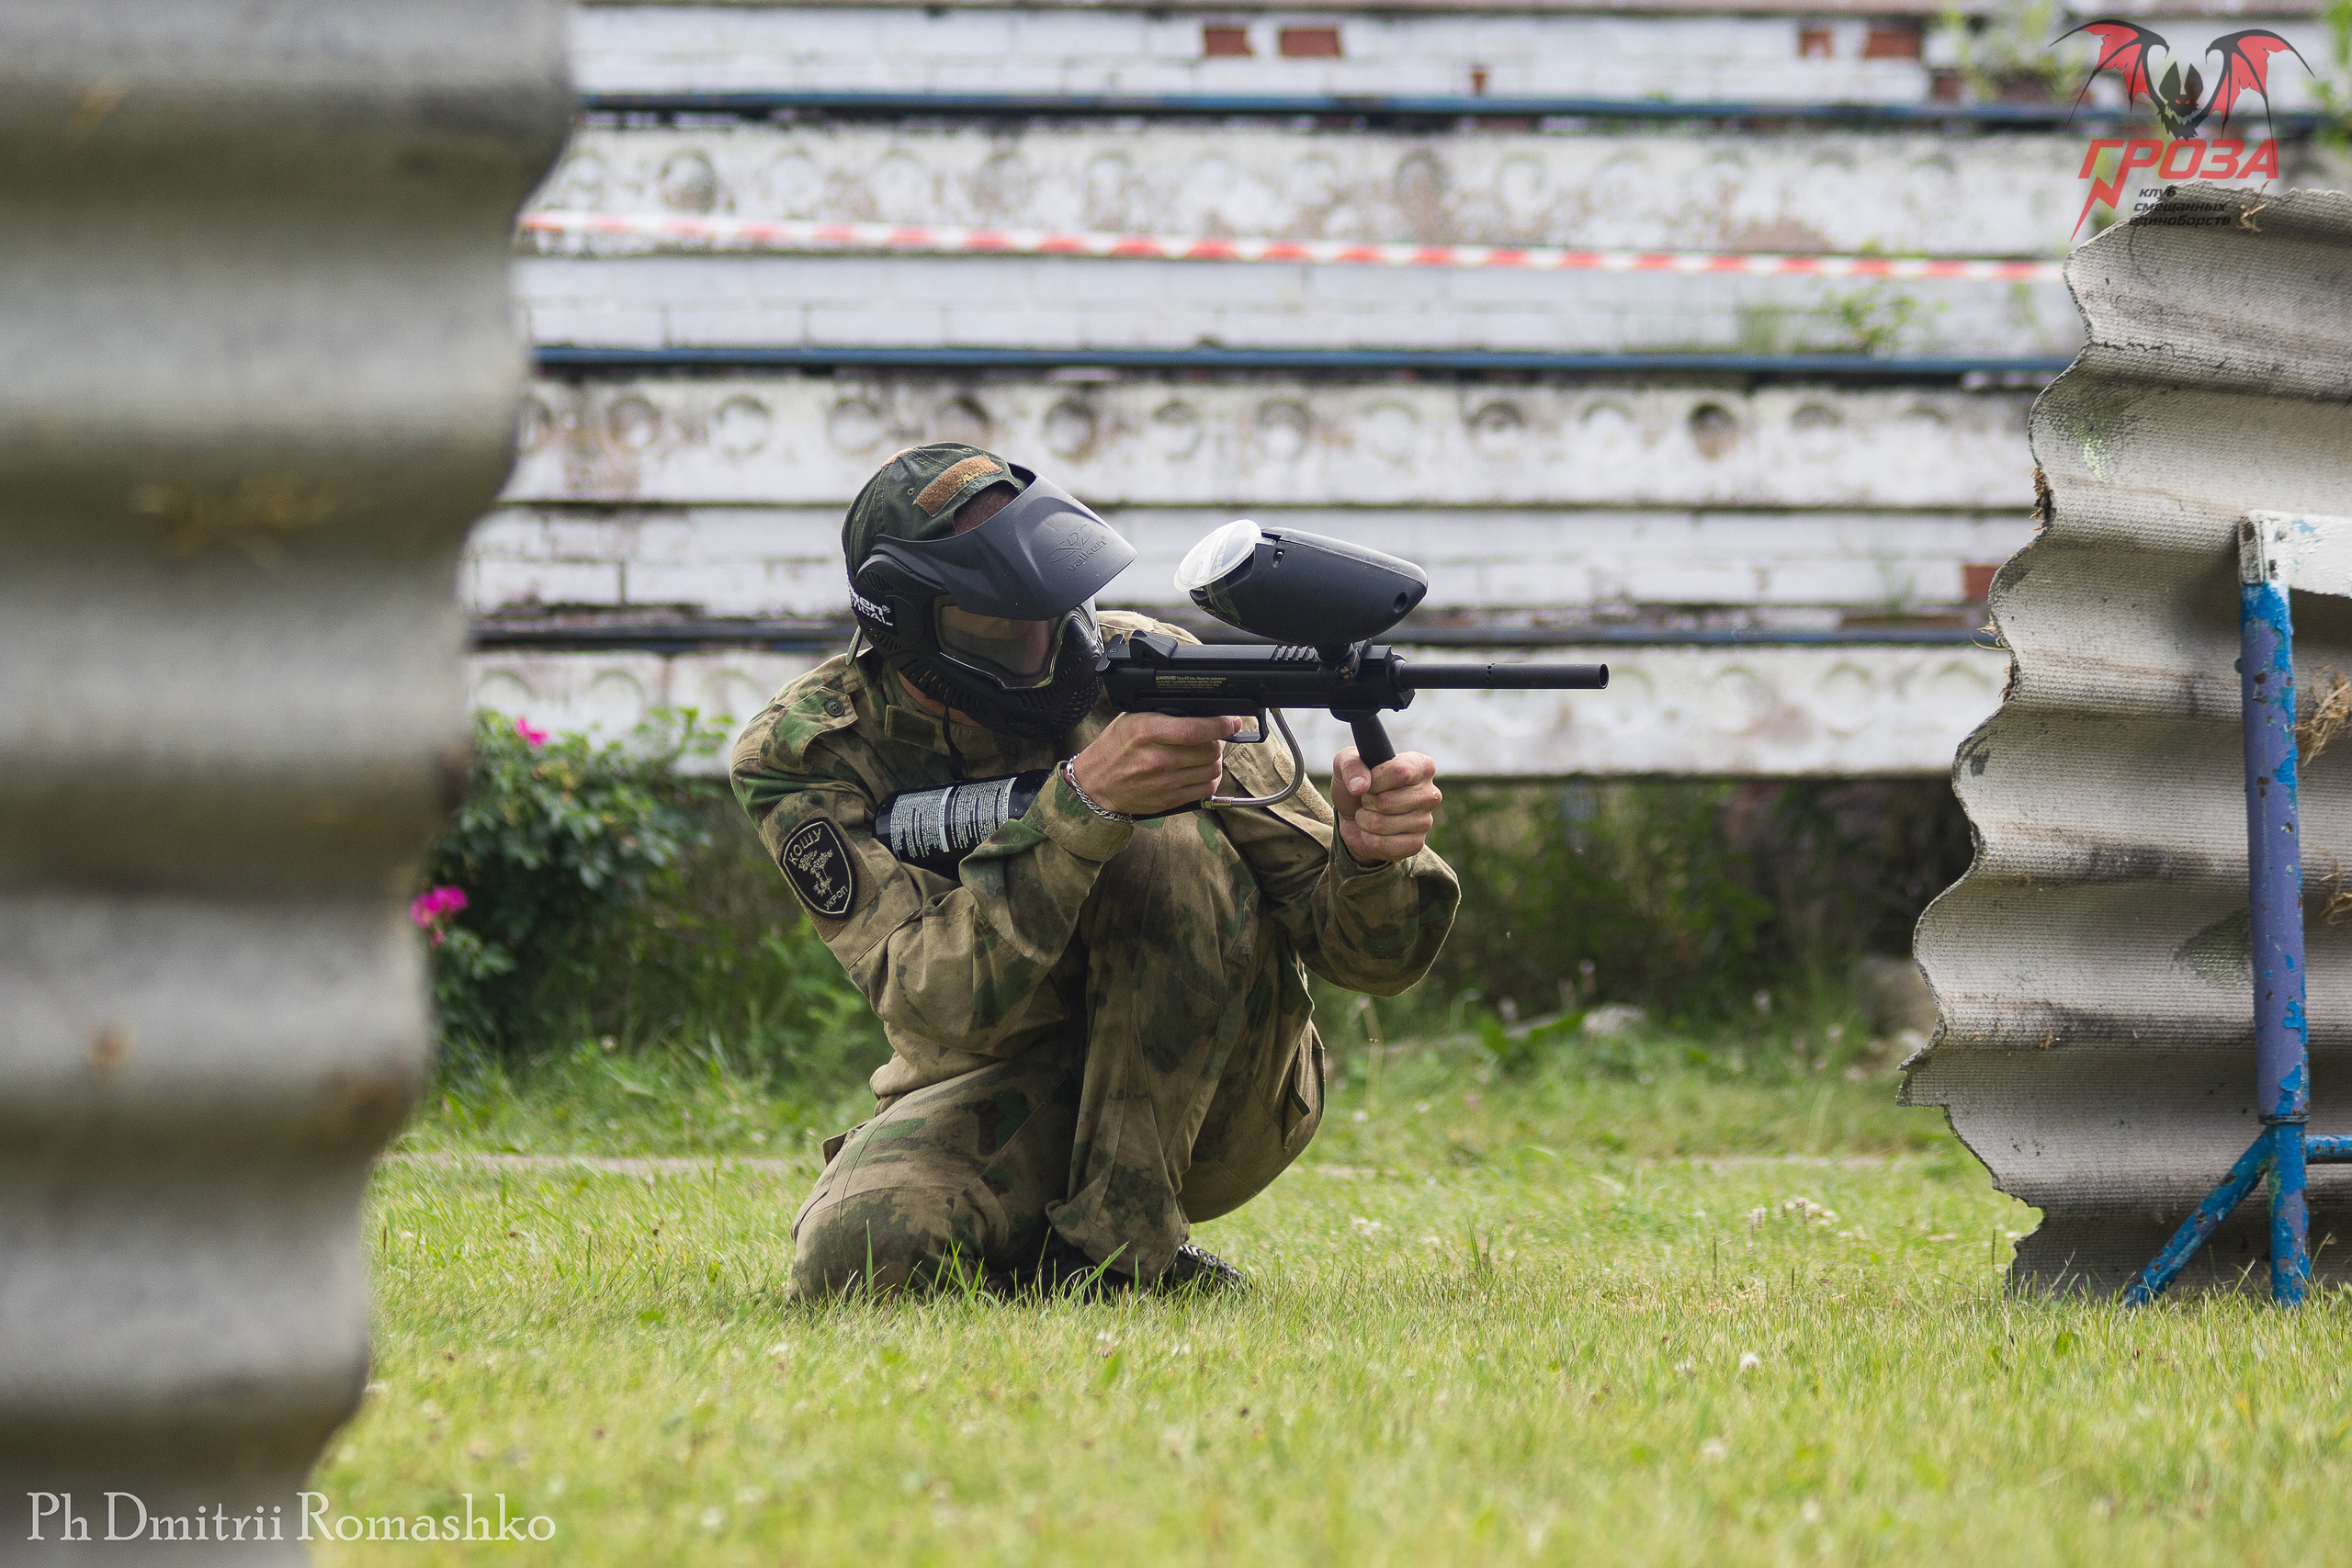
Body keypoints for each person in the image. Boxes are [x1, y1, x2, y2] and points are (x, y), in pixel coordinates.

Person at [730, 443, 1459, 1296]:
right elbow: (939, 997)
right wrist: (1080, 807)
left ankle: (1120, 1258)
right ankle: (1058, 1267)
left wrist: (1371, 860)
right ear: (907, 622)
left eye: (1053, 604)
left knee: (1165, 842)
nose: (1040, 646)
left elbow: (1371, 960)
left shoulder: (1158, 675)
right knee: (851, 1259)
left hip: (1223, 1088)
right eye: (1001, 621)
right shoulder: (810, 750)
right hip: (1003, 1082)